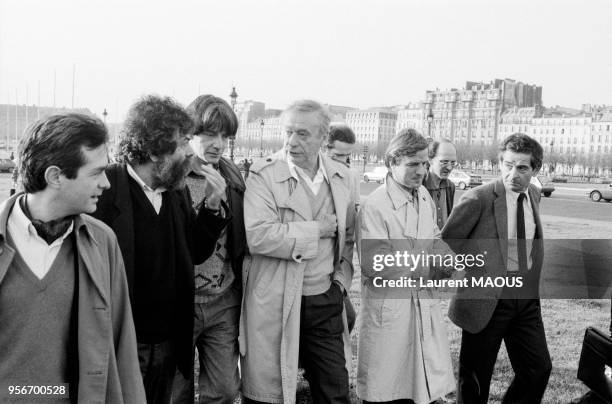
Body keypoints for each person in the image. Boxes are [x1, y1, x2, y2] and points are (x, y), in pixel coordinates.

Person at [92, 95, 229, 404]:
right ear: (154, 151)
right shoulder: (104, 190)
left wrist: (210, 206)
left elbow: (194, 252)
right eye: (182, 143)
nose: (189, 152)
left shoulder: (174, 192)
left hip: (167, 340)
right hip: (122, 341)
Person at [0, 113, 145, 403]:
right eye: (95, 172)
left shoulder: (103, 241)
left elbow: (123, 349)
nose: (106, 183)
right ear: (55, 176)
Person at [240, 100, 357, 403]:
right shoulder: (262, 175)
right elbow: (259, 236)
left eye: (303, 134)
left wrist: (340, 284)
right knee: (269, 393)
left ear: (323, 137)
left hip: (325, 299)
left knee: (335, 391)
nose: (292, 141)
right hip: (276, 300)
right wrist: (316, 229)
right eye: (289, 132)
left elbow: (348, 236)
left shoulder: (343, 178)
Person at [442, 133, 551, 404]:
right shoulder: (478, 198)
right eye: (507, 164)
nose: (513, 173)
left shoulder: (534, 194)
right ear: (500, 162)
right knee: (475, 382)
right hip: (486, 301)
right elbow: (446, 246)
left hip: (525, 300)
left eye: (522, 167)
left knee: (538, 369)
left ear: (535, 169)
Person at [357, 128, 456, 404]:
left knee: (419, 388)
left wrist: (447, 257)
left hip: (421, 303)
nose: (422, 171)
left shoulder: (423, 195)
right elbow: (375, 263)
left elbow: (433, 236)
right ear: (392, 162)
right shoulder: (375, 205)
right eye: (413, 164)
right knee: (388, 390)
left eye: (425, 163)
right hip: (391, 308)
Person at [171, 94, 245, 404]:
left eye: (225, 136)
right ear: (189, 133)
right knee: (176, 393)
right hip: (179, 303)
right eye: (210, 134)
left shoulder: (232, 175)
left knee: (225, 391)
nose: (218, 143)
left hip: (222, 300)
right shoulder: (172, 177)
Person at [326, 124, 359, 333]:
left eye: (347, 156)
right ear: (324, 148)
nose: (343, 161)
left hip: (335, 272)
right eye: (338, 155)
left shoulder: (350, 177)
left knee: (348, 318)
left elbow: (349, 235)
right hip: (310, 269)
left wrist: (342, 278)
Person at [423, 139, 457, 229]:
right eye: (444, 162)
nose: (449, 167)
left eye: (453, 162)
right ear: (430, 160)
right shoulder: (418, 186)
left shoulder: (451, 187)